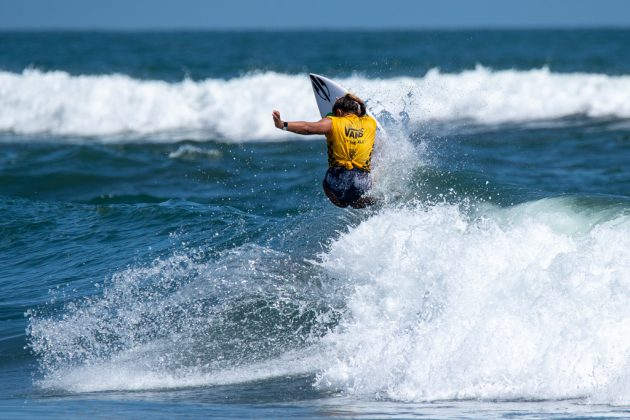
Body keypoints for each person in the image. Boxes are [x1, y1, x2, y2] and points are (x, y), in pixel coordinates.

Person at [272, 93, 377, 208]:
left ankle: (342, 203)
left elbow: (308, 128)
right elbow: (362, 110)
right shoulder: (370, 123)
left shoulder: (332, 122)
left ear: (339, 113)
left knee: (326, 185)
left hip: (339, 179)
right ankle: (372, 201)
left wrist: (282, 125)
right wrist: (348, 100)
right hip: (362, 182)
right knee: (369, 179)